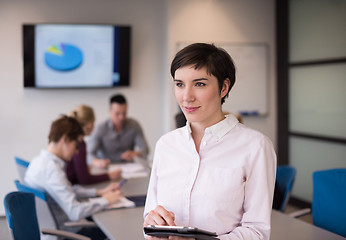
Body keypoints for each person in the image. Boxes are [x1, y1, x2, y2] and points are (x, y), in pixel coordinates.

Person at [143, 43, 276, 240]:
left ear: (223, 87)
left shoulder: (255, 146)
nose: (186, 97)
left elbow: (257, 232)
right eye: (179, 84)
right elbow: (150, 217)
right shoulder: (166, 145)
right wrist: (152, 227)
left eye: (199, 84)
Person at [25, 115, 123, 239]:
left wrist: (99, 192)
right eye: (77, 145)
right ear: (65, 139)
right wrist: (106, 200)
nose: (77, 151)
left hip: (52, 230)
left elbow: (68, 189)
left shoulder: (38, 162)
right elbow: (75, 212)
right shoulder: (52, 170)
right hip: (65, 234)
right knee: (112, 229)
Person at [87, 94, 149, 167]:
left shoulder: (134, 126)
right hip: (106, 168)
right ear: (110, 111)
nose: (121, 117)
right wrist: (97, 162)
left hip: (129, 168)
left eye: (124, 113)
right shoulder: (100, 129)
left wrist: (135, 153)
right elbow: (88, 154)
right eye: (117, 114)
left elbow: (145, 149)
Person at [66, 105, 122, 185]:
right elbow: (85, 180)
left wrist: (82, 170)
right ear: (89, 124)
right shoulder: (79, 143)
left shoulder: (70, 138)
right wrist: (109, 176)